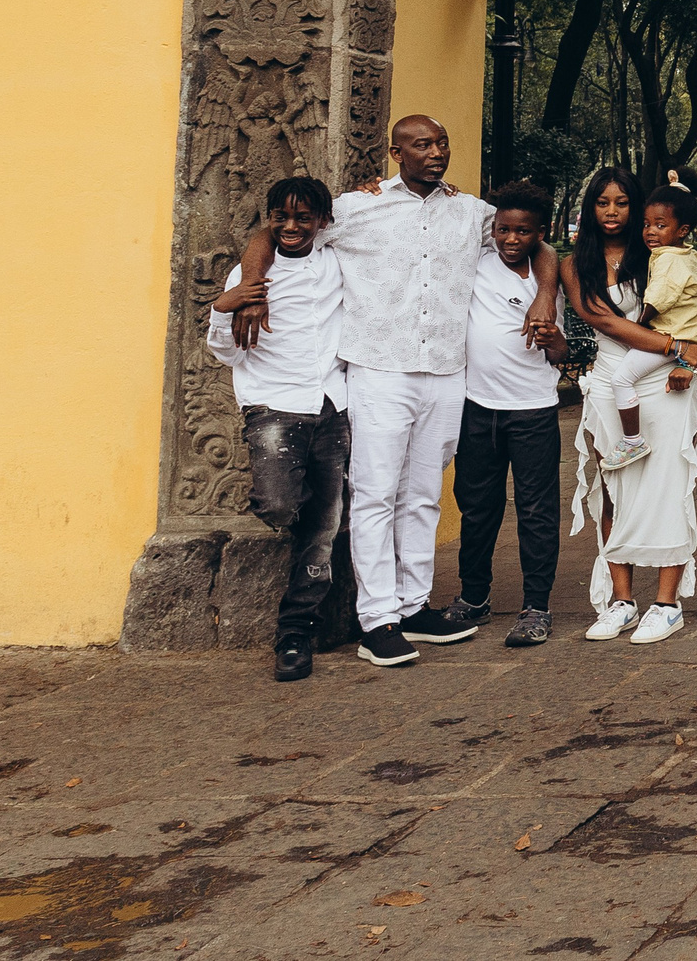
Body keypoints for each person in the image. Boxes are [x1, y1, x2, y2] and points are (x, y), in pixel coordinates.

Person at [225, 115, 558, 669]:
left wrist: (545, 295)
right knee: (376, 495)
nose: (436, 152)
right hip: (380, 371)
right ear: (396, 153)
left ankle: (413, 605)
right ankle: (377, 620)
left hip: (445, 372)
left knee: (424, 495)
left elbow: (536, 243)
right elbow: (275, 231)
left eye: (442, 143)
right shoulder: (358, 208)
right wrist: (252, 289)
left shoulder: (470, 212)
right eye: (422, 144)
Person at [206, 176, 348, 682]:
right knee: (279, 504)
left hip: (332, 404)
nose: (291, 226)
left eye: (303, 217)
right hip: (274, 406)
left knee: (324, 529)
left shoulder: (335, 260)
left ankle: (295, 633)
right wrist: (225, 308)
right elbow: (226, 353)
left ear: (322, 222)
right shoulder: (247, 276)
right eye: (280, 217)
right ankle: (318, 512)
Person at [564, 167, 697, 646]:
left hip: (666, 380)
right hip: (612, 380)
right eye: (602, 202)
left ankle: (666, 605)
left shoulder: (660, 254)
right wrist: (677, 345)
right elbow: (602, 320)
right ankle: (622, 602)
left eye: (622, 202)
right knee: (615, 489)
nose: (612, 211)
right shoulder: (574, 264)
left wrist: (685, 354)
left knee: (670, 485)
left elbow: (694, 308)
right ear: (590, 207)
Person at [433, 181, 569, 649]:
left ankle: (537, 607)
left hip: (533, 411)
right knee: (476, 508)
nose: (511, 239)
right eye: (503, 229)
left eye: (523, 231)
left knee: (536, 511)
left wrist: (553, 334)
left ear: (540, 233)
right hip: (477, 408)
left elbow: (561, 354)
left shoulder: (548, 275)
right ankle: (474, 597)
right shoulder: (476, 260)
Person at [597, 184, 697, 471]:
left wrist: (641, 324)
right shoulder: (687, 254)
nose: (650, 231)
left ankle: (632, 440)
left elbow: (659, 298)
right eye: (646, 224)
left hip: (669, 337)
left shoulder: (666, 260)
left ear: (682, 230)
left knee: (621, 380)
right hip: (689, 334)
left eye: (660, 226)